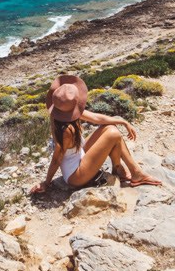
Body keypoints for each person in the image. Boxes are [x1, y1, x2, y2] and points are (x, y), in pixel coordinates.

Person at [29, 75, 162, 194]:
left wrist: (122, 121)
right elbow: (56, 159)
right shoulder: (67, 131)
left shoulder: (61, 113)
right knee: (113, 134)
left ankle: (118, 170)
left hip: (78, 156)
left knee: (109, 127)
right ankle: (136, 173)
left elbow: (97, 118)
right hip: (75, 176)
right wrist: (46, 182)